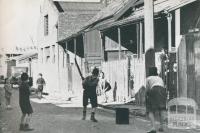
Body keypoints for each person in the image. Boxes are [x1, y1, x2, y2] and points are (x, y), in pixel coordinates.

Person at [145, 67, 167, 133]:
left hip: (154, 89)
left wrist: (146, 97)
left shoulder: (148, 78)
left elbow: (147, 90)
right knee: (162, 109)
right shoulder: (160, 78)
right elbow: (163, 86)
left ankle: (153, 128)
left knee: (150, 110)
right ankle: (162, 127)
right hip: (163, 91)